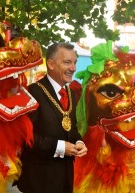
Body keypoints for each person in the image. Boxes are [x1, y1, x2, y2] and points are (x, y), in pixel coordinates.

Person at [17, 42, 87, 193]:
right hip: (39, 181)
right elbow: (26, 138)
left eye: (74, 62)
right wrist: (61, 147)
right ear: (51, 64)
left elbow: (71, 128)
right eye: (67, 62)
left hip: (65, 179)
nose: (73, 68)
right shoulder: (33, 92)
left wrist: (79, 142)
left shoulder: (71, 94)